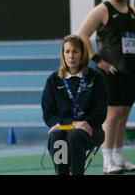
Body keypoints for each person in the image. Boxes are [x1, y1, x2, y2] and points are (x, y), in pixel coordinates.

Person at [78, 0, 135, 174]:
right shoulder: (103, 10)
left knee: (123, 115)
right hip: (110, 71)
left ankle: (119, 157)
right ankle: (107, 160)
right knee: (111, 116)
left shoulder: (134, 13)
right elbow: (82, 34)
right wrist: (98, 60)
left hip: (130, 72)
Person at [41, 35, 108, 175]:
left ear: (82, 54)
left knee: (75, 135)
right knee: (55, 136)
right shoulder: (53, 80)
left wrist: (85, 123)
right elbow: (48, 114)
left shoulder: (96, 77)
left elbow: (101, 111)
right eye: (67, 51)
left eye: (75, 51)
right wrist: (71, 123)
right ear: (63, 54)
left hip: (91, 129)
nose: (71, 56)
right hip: (63, 128)